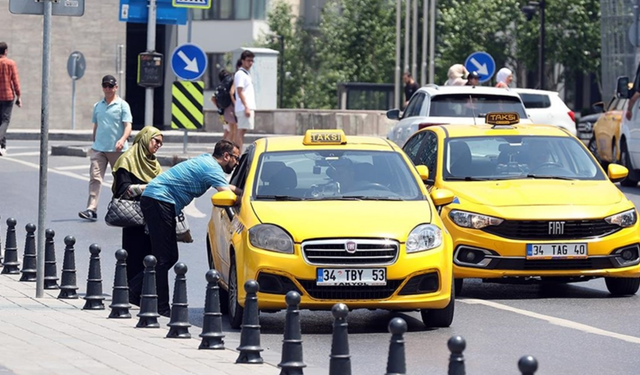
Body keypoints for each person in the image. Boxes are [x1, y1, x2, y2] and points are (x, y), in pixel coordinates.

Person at [140, 140, 242, 317]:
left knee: (169, 256)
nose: (237, 163)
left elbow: (229, 187)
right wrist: (246, 200)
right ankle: (161, 307)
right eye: (236, 158)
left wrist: (245, 191)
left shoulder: (208, 163)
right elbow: (227, 194)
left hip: (159, 201)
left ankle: (134, 291)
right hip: (159, 200)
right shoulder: (211, 168)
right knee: (163, 257)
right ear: (226, 156)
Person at [111, 126, 163, 306]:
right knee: (133, 255)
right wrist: (146, 188)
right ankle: (130, 294)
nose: (158, 145)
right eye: (156, 141)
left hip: (152, 217)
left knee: (152, 256)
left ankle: (144, 294)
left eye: (161, 143)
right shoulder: (127, 160)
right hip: (133, 218)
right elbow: (122, 190)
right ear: (145, 138)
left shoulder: (154, 164)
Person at [79, 75, 133, 221]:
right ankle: (91, 209)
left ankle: (122, 208)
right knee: (95, 178)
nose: (108, 89)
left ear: (116, 87)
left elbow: (128, 126)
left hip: (118, 150)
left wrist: (122, 139)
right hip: (99, 149)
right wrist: (94, 141)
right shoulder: (98, 106)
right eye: (105, 86)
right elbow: (96, 125)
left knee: (120, 180)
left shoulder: (123, 105)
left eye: (110, 86)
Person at [0, 42, 21, 157]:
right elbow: (15, 81)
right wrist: (19, 96)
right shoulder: (10, 63)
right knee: (5, 121)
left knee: (0, 121)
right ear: (5, 51)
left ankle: (2, 147)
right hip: (8, 96)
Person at [234, 50, 256, 152]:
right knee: (241, 130)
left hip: (247, 106)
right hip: (244, 107)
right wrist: (246, 106)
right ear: (243, 61)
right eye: (248, 60)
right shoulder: (240, 74)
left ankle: (238, 152)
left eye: (252, 61)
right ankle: (238, 153)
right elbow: (239, 91)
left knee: (243, 130)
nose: (250, 63)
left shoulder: (246, 74)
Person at [211, 69, 236, 142]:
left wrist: (219, 106)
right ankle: (224, 146)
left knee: (226, 131)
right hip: (228, 112)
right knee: (231, 131)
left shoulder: (220, 86)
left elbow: (213, 98)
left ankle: (222, 145)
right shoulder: (228, 85)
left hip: (221, 113)